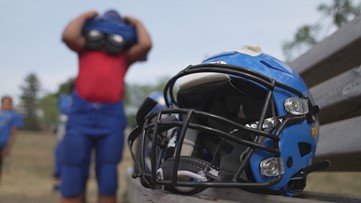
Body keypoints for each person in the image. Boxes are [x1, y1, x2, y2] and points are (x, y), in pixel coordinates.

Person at [61, 9, 152, 203]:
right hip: (80, 112)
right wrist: (86, 14)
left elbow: (145, 44)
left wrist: (136, 21)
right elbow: (69, 35)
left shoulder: (124, 56)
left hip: (110, 115)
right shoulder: (85, 47)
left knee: (108, 172)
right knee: (73, 169)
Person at [0, 96, 23, 183]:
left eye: (8, 103)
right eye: (4, 102)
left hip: (3, 143)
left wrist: (8, 147)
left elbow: (13, 132)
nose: (6, 104)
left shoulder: (14, 115)